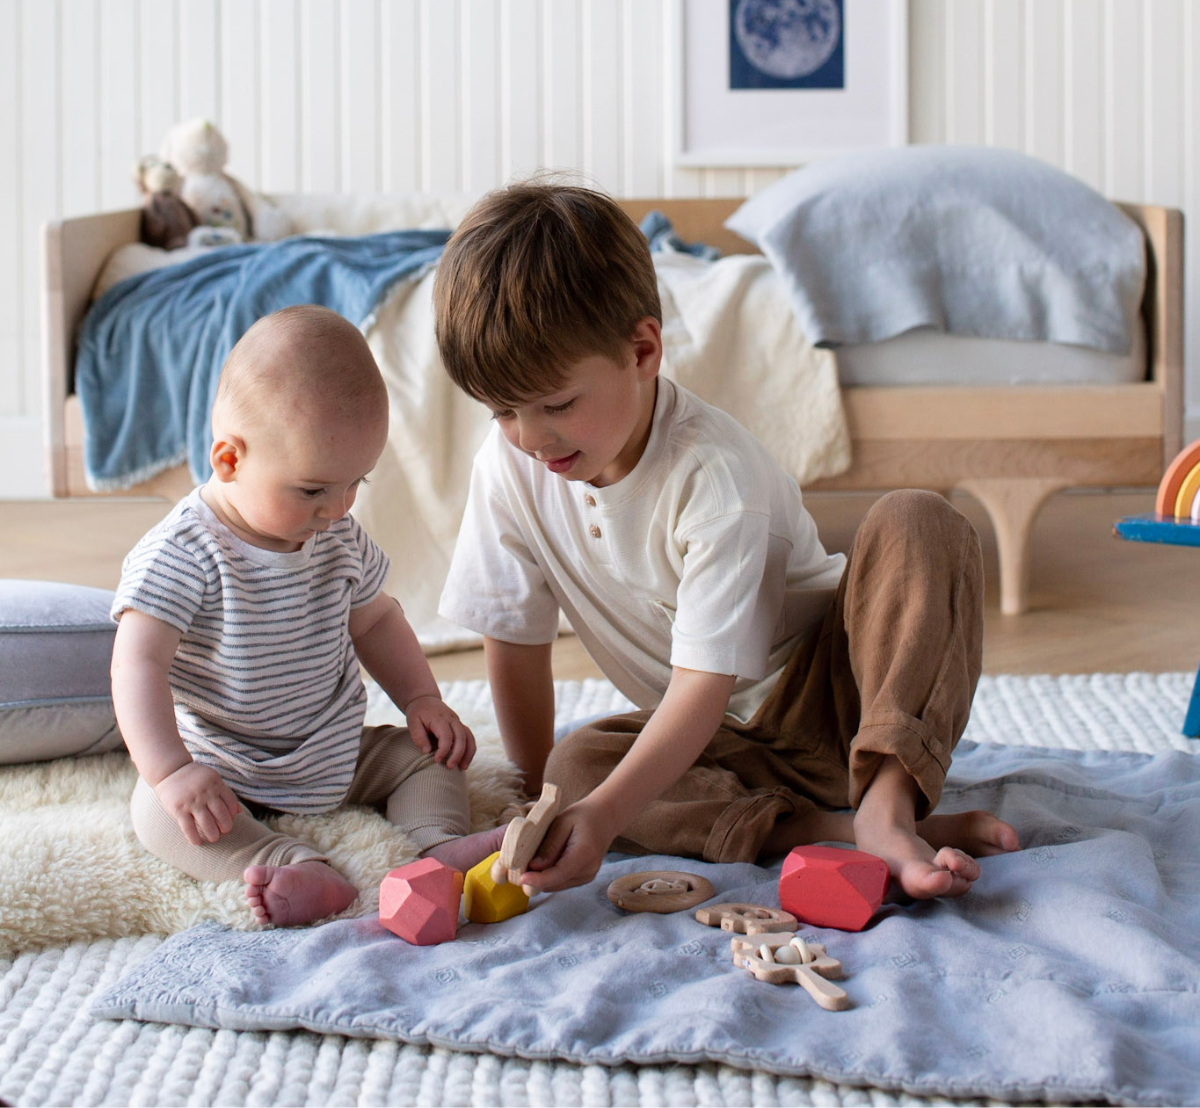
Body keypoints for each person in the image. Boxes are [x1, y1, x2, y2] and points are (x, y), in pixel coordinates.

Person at [433, 179, 1020, 898]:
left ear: (643, 349)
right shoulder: (508, 470)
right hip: (719, 747)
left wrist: (610, 811)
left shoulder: (713, 476)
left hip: (840, 699)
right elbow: (515, 640)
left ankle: (890, 798)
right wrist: (540, 808)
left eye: (557, 404)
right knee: (578, 769)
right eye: (502, 411)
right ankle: (837, 830)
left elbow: (704, 685)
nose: (530, 437)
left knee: (920, 520)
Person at [110, 304, 505, 927]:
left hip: (335, 749)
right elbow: (137, 663)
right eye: (314, 489)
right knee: (157, 814)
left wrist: (422, 700)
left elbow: (375, 623)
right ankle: (291, 861)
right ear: (229, 460)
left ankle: (436, 843)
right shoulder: (183, 553)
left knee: (433, 757)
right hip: (224, 764)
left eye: (357, 483)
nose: (338, 507)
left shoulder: (338, 538)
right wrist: (172, 770)